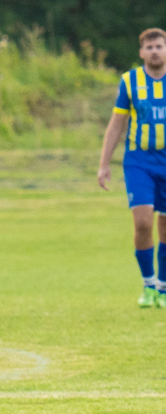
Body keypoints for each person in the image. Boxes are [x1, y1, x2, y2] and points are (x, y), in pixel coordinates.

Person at [98, 28, 166, 308]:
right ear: (141, 53)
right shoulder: (130, 81)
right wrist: (104, 164)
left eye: (159, 46)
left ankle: (163, 287)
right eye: (149, 47)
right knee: (143, 223)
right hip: (139, 162)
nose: (154, 51)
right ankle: (148, 284)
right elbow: (117, 124)